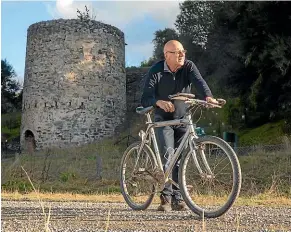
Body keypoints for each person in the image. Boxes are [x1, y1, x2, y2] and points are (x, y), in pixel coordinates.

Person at [141, 40, 218, 212]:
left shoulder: (188, 66)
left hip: (183, 119)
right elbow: (145, 98)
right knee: (169, 156)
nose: (181, 54)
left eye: (183, 51)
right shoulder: (156, 70)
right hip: (163, 120)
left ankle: (178, 197)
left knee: (181, 159)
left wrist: (208, 97)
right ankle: (165, 198)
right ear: (166, 55)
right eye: (176, 52)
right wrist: (158, 102)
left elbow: (199, 82)